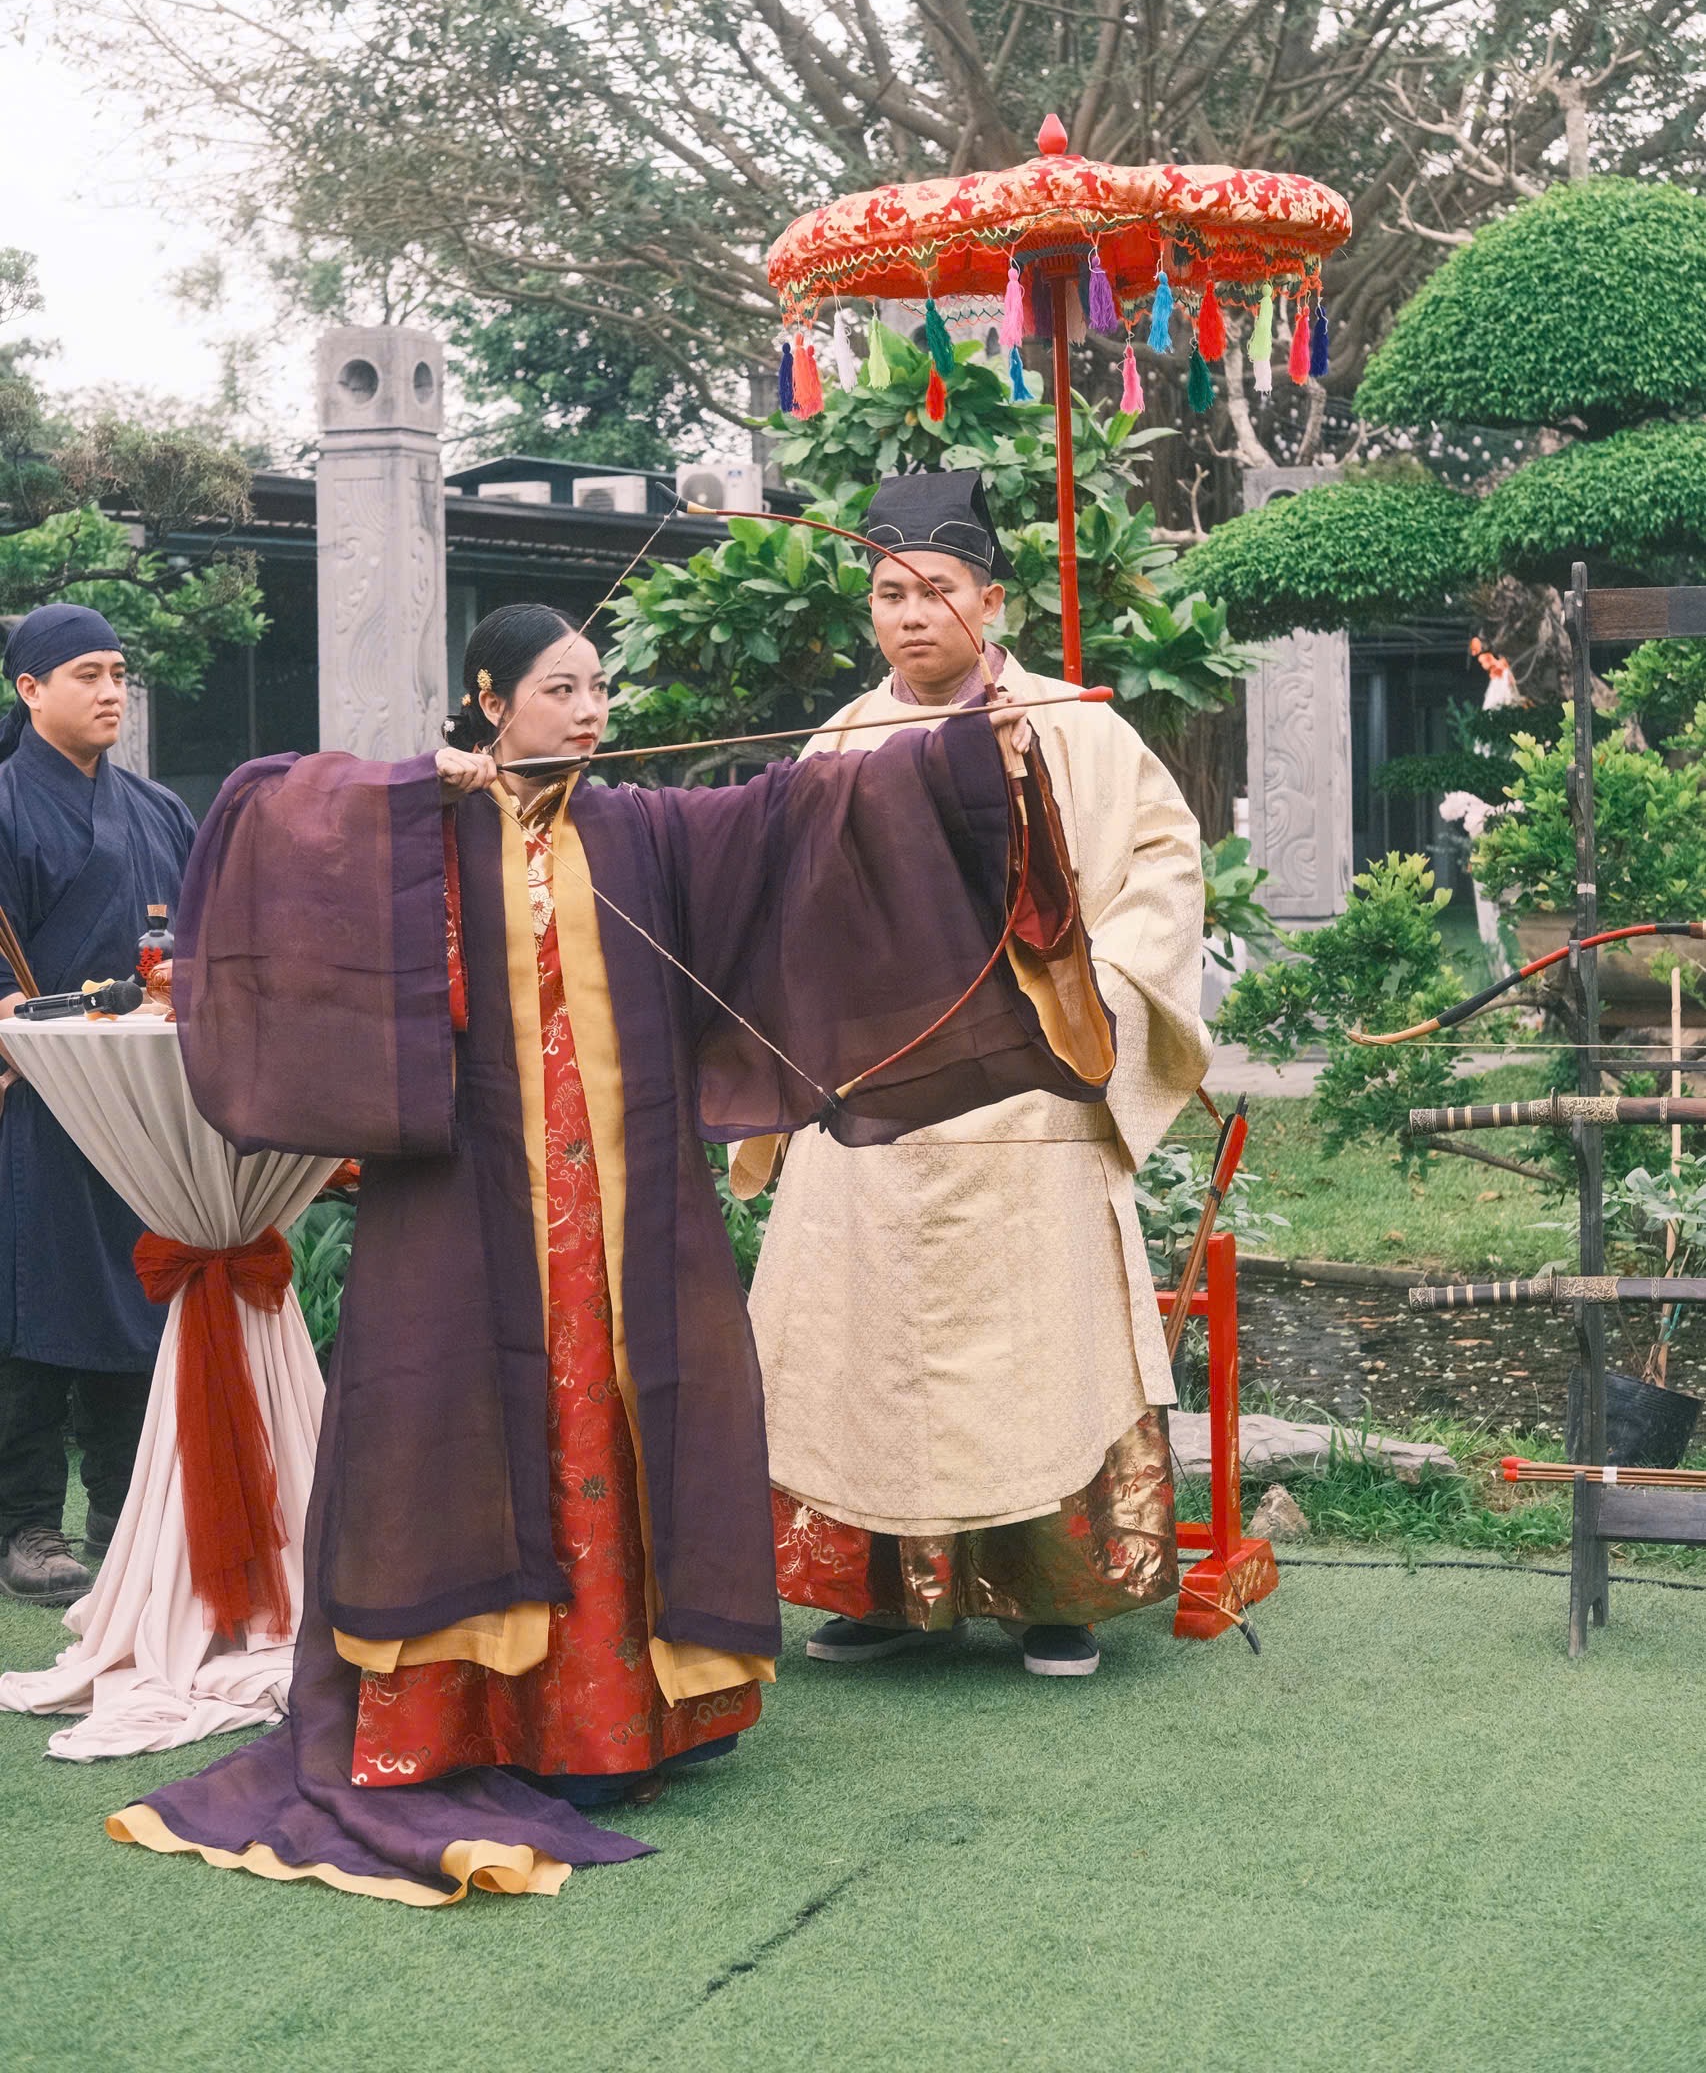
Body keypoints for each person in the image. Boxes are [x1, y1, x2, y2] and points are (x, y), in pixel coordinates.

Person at [110, 599, 1111, 1906]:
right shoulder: (420, 823)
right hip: (462, 1210)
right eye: (559, 689)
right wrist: (412, 792)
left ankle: (633, 1718)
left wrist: (963, 751)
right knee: (463, 1431)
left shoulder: (642, 829)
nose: (589, 712)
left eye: (597, 689)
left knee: (629, 1420)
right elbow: (260, 810)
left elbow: (794, 811)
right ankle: (468, 1719)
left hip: (631, 1210)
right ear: (489, 698)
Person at [747, 471, 1212, 1679]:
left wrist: (1088, 999)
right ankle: (880, 1594)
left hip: (1027, 1086)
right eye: (888, 593)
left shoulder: (1078, 727)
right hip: (877, 1100)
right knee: (867, 1351)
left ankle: (1054, 1597)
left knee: (1037, 1354)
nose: (911, 614)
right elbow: (788, 910)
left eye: (937, 590)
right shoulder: (838, 741)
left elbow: (1164, 868)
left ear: (991, 601)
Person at [0, 604, 195, 1605]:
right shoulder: (4, 805)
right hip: (32, 1094)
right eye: (88, 673)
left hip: (141, 1099)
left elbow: (203, 941)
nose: (112, 690)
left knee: (137, 1297)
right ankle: (27, 1524)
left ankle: (126, 1513)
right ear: (30, 688)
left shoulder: (160, 810)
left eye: (119, 672)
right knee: (28, 1306)